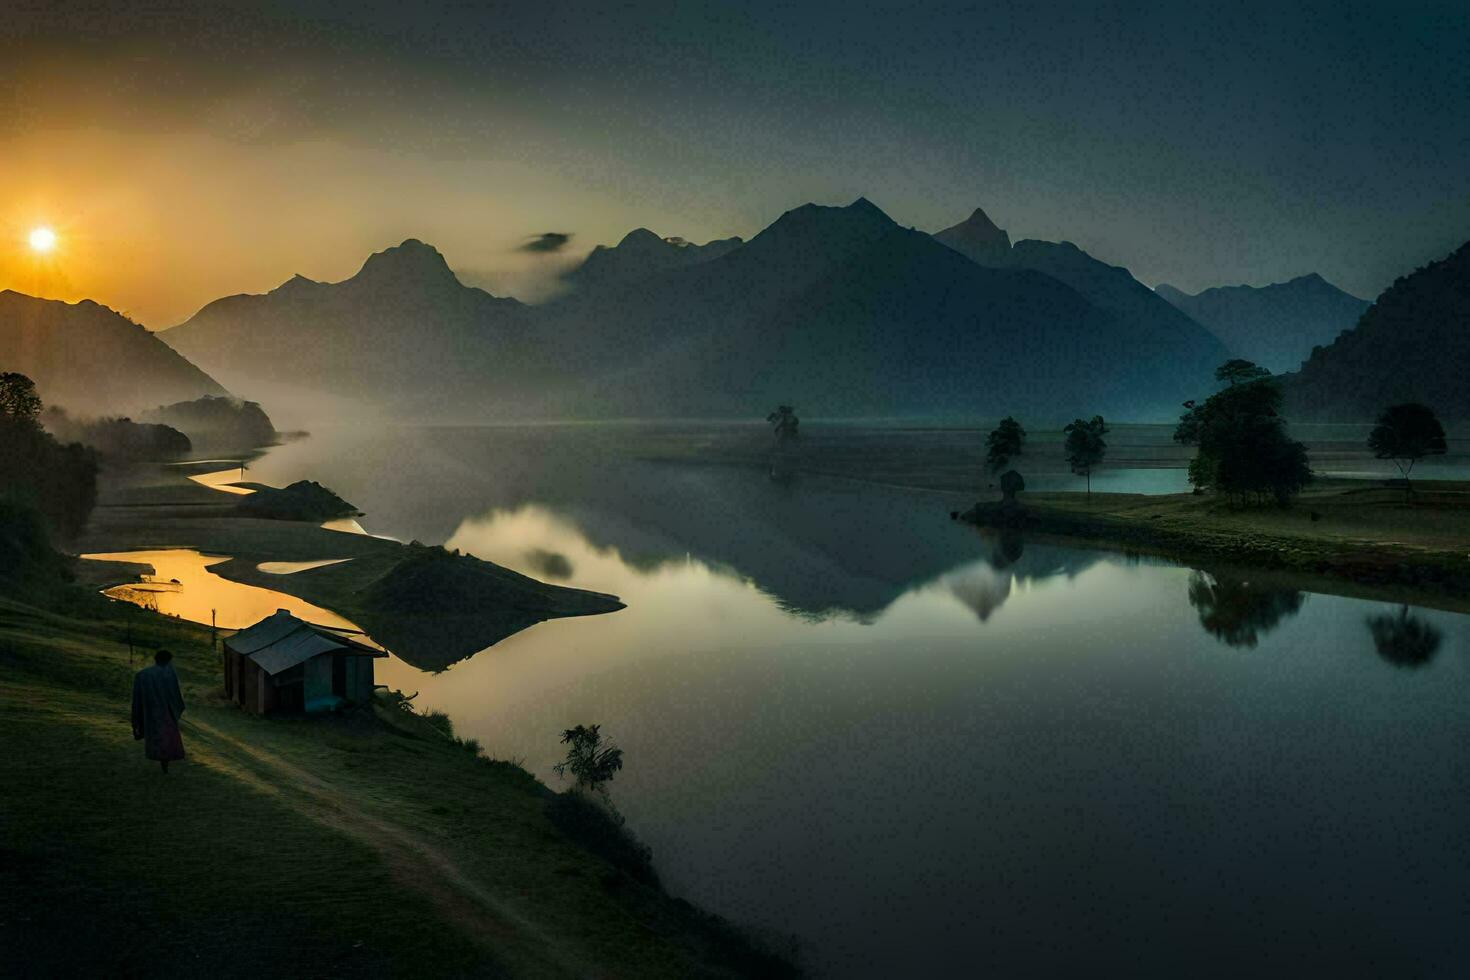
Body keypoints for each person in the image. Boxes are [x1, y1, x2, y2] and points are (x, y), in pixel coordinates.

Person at [131, 649, 186, 773]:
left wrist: (136, 721)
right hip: (167, 713)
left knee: (158, 740)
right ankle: (164, 764)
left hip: (150, 714)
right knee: (166, 740)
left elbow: (136, 699)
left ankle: (163, 763)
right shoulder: (169, 674)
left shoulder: (142, 675)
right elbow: (176, 696)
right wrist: (176, 711)